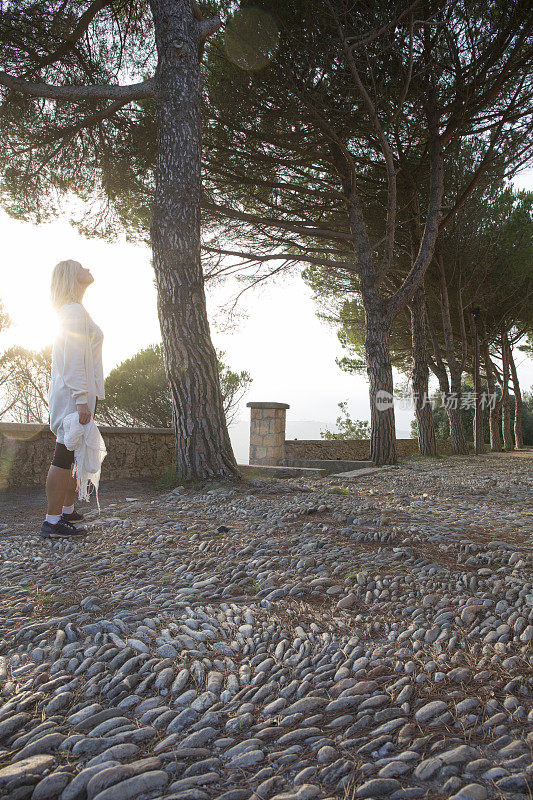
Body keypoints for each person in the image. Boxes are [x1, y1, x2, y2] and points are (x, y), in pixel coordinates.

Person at [40, 260, 105, 538]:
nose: (87, 268)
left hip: (77, 394)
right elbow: (73, 359)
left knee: (73, 455)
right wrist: (81, 398)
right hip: (72, 396)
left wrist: (90, 395)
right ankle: (52, 522)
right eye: (80, 266)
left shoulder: (75, 310)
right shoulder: (73, 312)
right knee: (63, 456)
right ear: (71, 276)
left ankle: (66, 511)